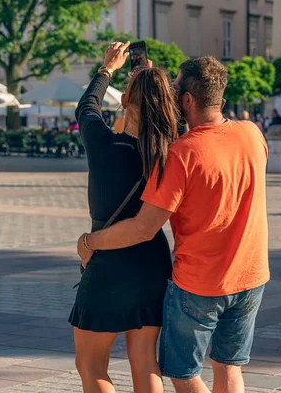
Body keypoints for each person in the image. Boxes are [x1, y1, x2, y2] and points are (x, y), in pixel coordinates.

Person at [77, 56, 269, 393]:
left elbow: (142, 227)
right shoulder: (251, 133)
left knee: (173, 371)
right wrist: (153, 81)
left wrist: (89, 242)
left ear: (188, 101)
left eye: (179, 88)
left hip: (196, 280)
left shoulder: (178, 153)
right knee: (223, 367)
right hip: (248, 276)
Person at [70, 41, 175, 393]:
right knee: (145, 358)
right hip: (153, 260)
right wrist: (151, 79)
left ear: (126, 101)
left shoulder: (104, 145)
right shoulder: (168, 152)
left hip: (109, 259)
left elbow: (87, 107)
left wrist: (107, 69)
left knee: (91, 365)